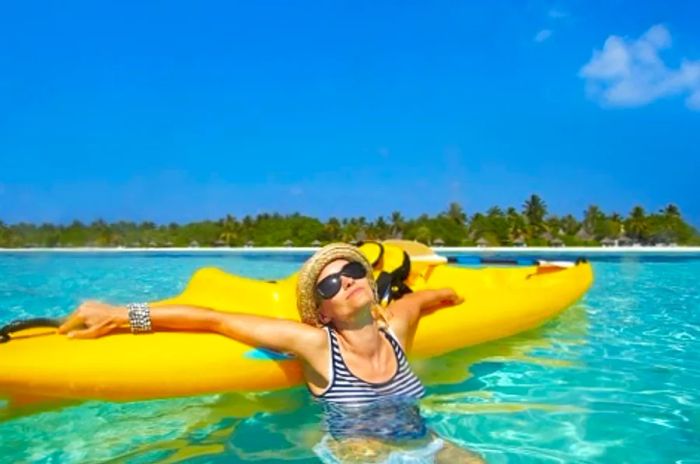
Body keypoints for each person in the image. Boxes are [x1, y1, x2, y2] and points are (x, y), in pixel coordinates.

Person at [58, 243, 484, 463]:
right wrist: (119, 314)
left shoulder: (397, 329)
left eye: (353, 272)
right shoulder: (317, 345)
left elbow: (426, 298)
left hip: (425, 444)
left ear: (371, 284)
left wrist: (455, 294)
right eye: (330, 284)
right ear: (322, 311)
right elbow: (215, 319)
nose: (347, 281)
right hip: (357, 452)